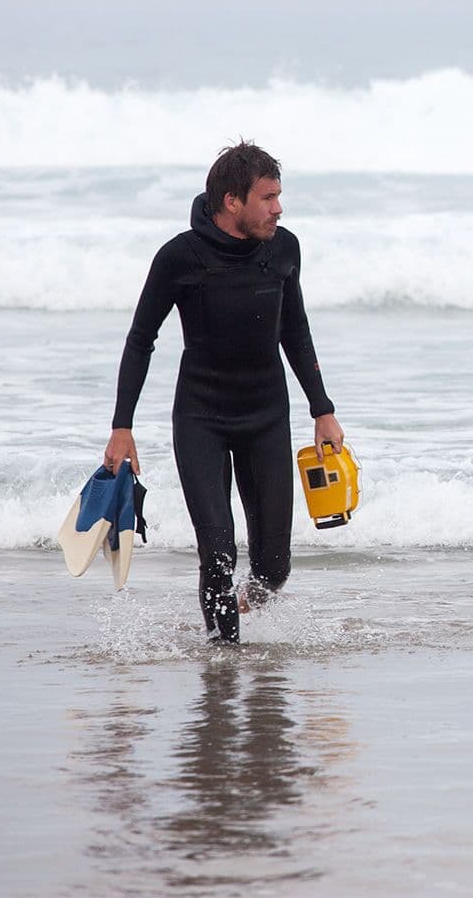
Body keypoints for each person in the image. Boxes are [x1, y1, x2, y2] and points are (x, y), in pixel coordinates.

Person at [104, 141, 343, 643]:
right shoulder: (179, 257)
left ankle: (241, 606)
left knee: (274, 567)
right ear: (232, 201)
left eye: (279, 196)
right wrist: (121, 426)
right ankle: (223, 659)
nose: (279, 207)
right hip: (201, 419)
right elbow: (140, 339)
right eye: (268, 197)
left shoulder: (283, 249)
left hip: (266, 417)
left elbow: (295, 331)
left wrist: (322, 409)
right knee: (217, 552)